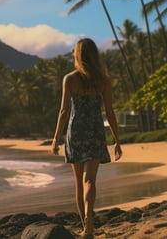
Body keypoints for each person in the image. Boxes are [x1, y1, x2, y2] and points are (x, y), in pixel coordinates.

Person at [51, 38, 123, 239]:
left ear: (78, 55)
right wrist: (117, 140)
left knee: (78, 182)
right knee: (90, 180)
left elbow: (64, 111)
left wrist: (56, 138)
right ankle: (90, 226)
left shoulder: (70, 79)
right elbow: (110, 112)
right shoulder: (103, 81)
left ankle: (86, 228)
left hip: (76, 133)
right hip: (95, 132)